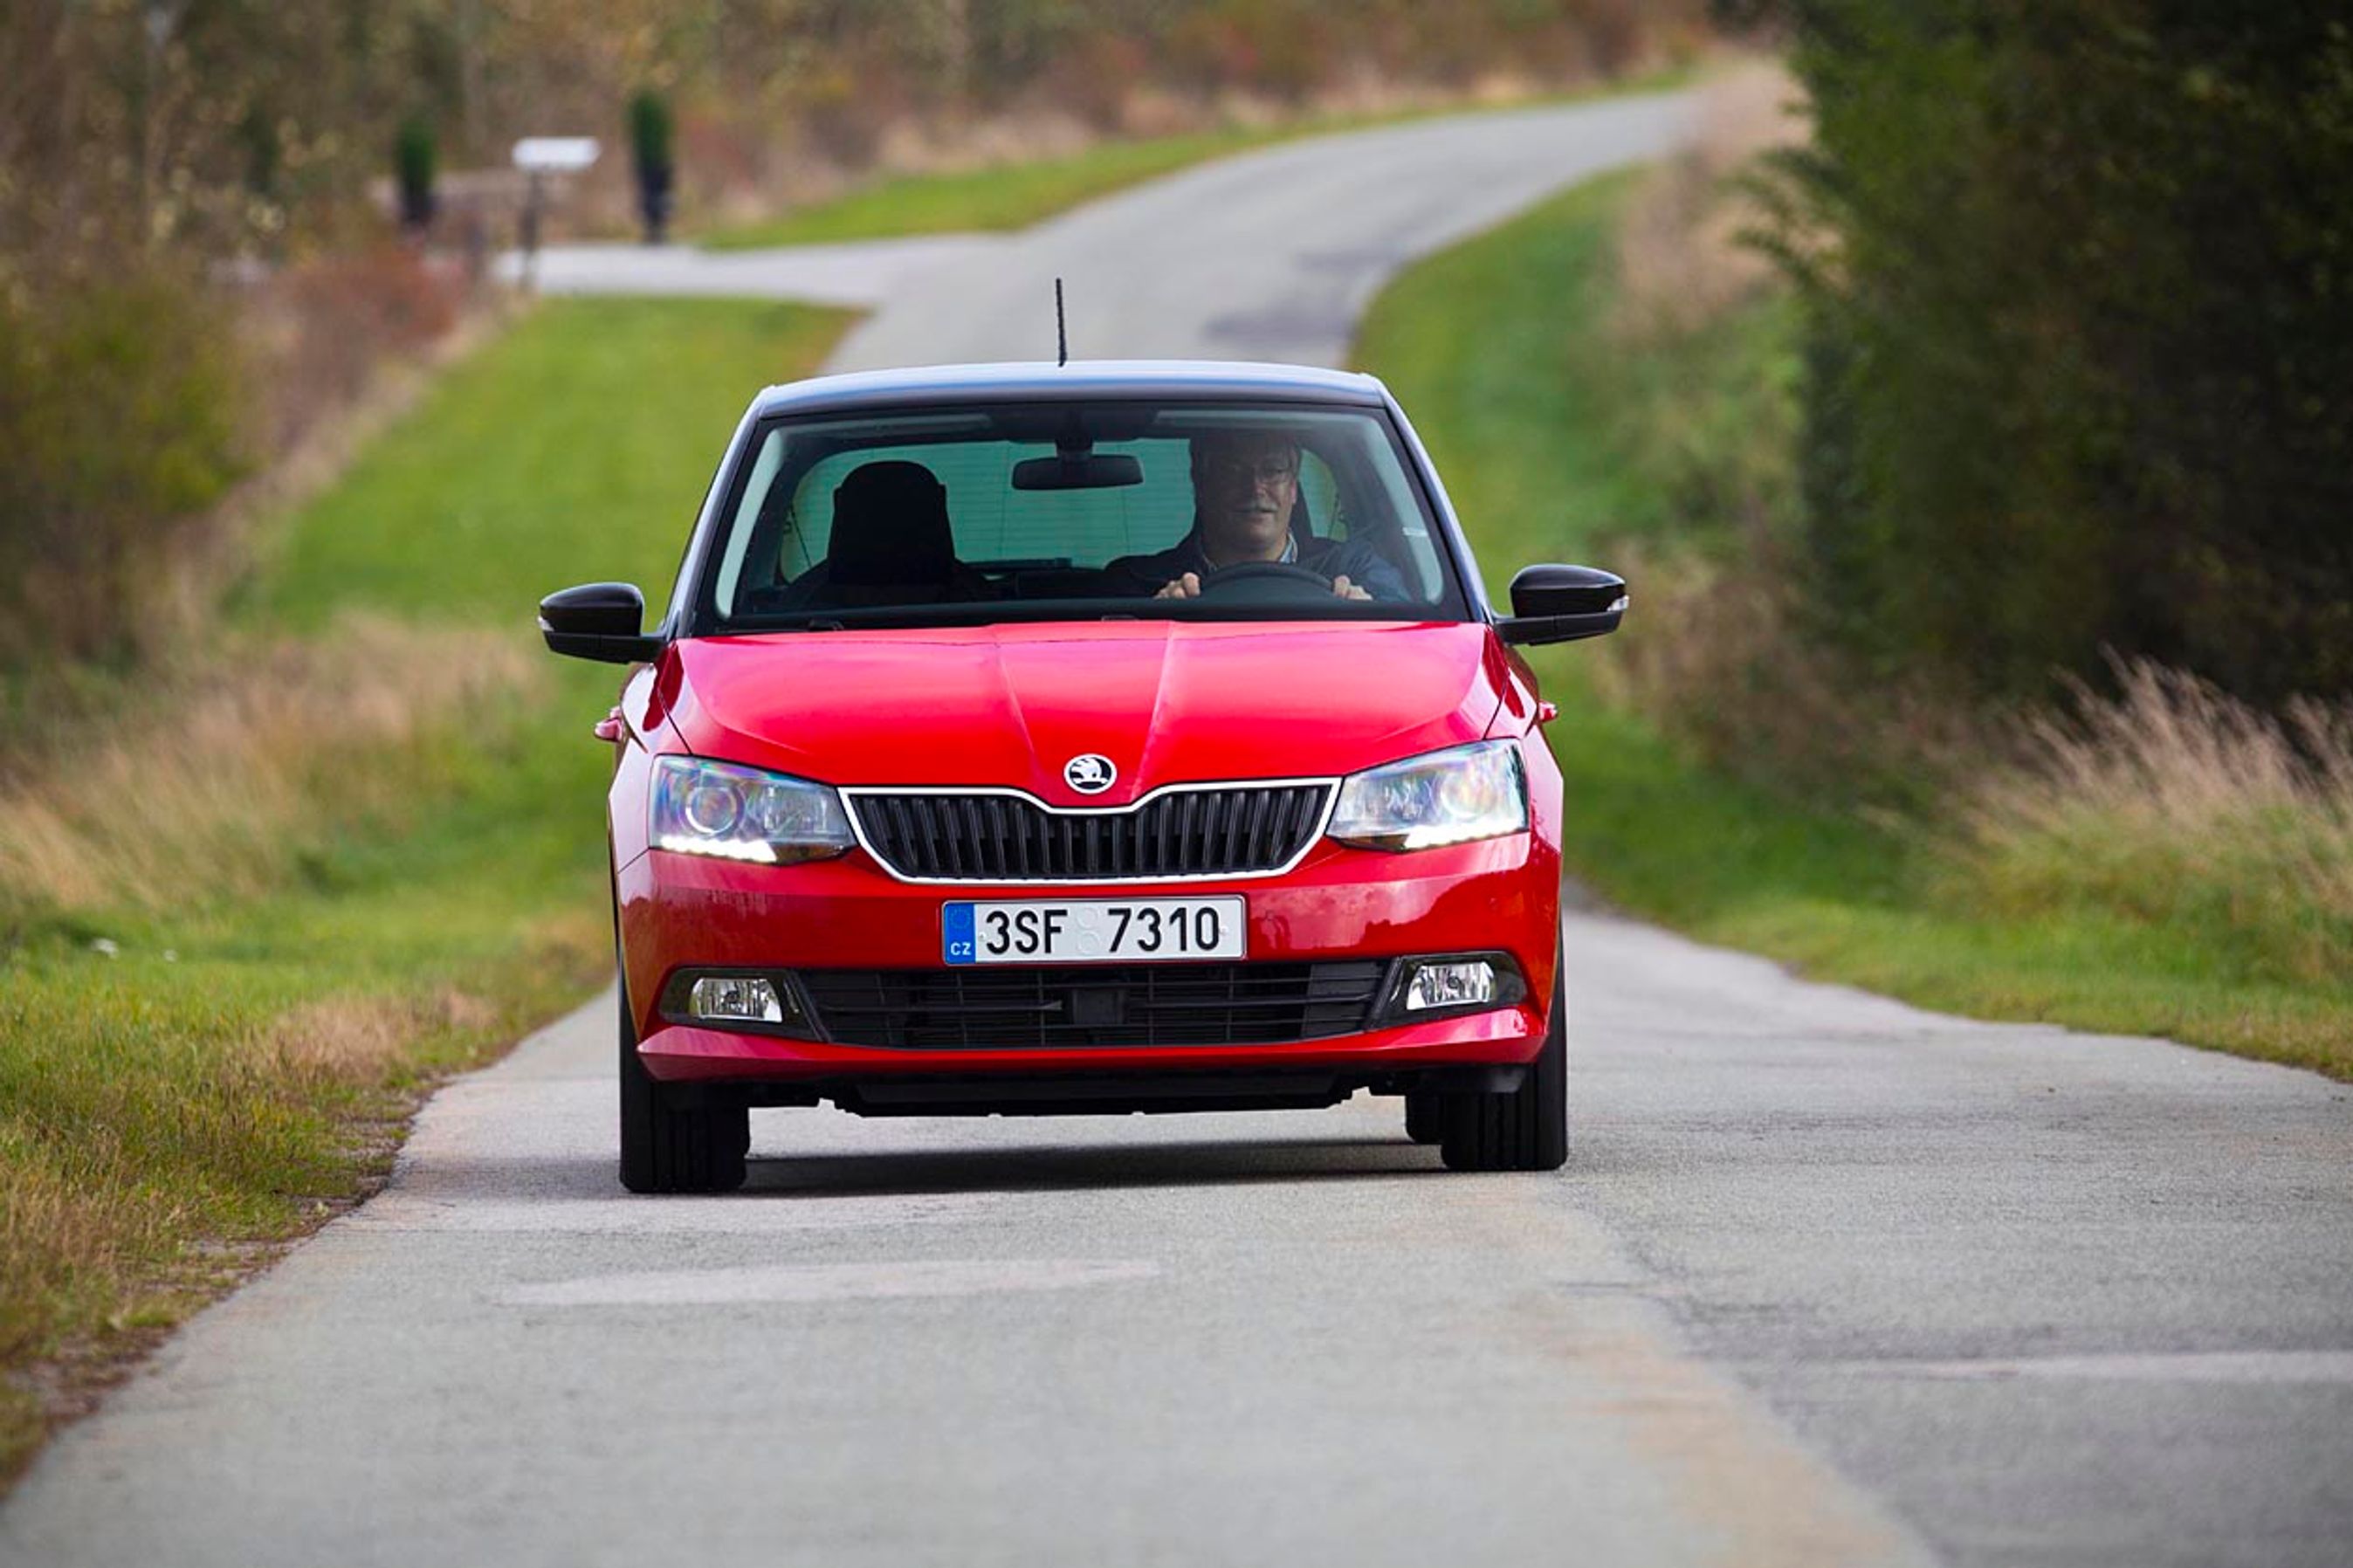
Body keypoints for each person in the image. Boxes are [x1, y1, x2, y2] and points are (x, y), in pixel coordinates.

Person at [1106, 431, 1411, 602]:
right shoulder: (1137, 584)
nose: (1255, 488)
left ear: (1293, 487)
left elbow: (1414, 639)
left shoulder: (1353, 567)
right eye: (1232, 471)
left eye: (1273, 471)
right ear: (1201, 484)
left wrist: (1368, 616)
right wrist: (1154, 619)